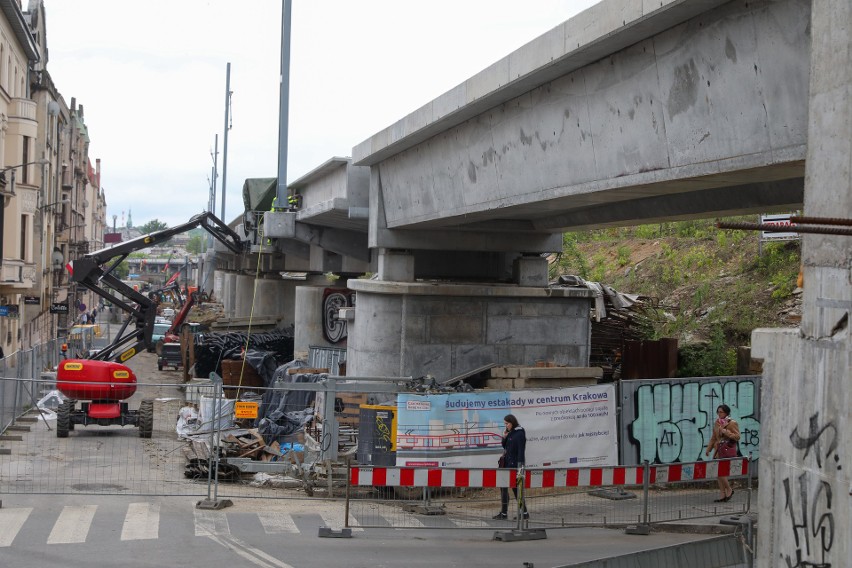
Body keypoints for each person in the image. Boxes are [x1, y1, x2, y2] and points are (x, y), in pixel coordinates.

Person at [493, 414, 529, 520]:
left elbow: (521, 451)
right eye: (505, 424)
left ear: (512, 422)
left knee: (516, 489)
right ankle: (503, 513)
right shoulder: (510, 433)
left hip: (515, 466)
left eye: (507, 423)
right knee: (503, 487)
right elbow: (505, 446)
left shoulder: (519, 433)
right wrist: (504, 437)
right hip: (506, 465)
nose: (506, 426)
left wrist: (520, 467)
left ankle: (524, 513)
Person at [705, 404, 740, 502]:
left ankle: (729, 489)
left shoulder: (732, 423)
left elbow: (737, 437)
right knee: (717, 473)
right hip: (717, 451)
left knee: (721, 472)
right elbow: (714, 438)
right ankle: (722, 493)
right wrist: (708, 449)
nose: (719, 414)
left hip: (725, 451)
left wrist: (725, 432)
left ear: (726, 413)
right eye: (718, 412)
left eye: (721, 412)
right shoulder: (717, 423)